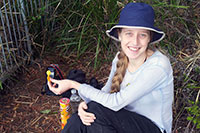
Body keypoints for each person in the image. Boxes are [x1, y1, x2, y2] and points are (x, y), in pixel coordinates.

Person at [48, 2, 174, 133]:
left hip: (152, 128)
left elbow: (115, 102)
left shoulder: (158, 66)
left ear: (149, 38)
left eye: (142, 35)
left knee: (97, 112)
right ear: (119, 35)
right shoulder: (120, 58)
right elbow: (105, 92)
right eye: (129, 33)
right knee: (79, 119)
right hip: (123, 120)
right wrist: (83, 105)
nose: (135, 42)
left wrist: (73, 84)